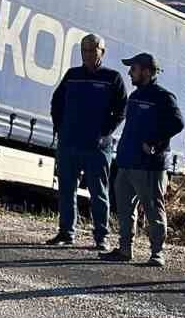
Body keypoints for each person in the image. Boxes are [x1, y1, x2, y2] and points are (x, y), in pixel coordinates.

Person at [100, 53, 185, 267]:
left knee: (153, 208)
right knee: (125, 209)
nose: (129, 72)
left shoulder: (164, 97)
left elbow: (177, 123)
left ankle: (157, 253)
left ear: (147, 71)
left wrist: (154, 143)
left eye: (134, 69)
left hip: (149, 166)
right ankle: (124, 249)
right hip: (127, 162)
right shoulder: (135, 96)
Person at [47, 33, 128, 250]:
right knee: (66, 189)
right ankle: (66, 232)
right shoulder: (72, 75)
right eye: (84, 50)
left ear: (102, 52)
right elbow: (57, 100)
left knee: (98, 193)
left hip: (97, 147)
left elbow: (121, 110)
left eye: (93, 50)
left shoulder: (113, 78)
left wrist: (104, 133)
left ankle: (101, 237)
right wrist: (60, 127)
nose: (88, 54)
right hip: (69, 143)